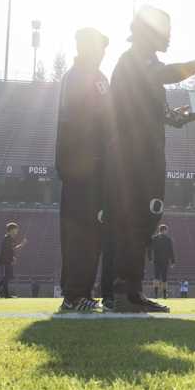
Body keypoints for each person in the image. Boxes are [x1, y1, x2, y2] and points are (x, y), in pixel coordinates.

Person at [105, 6, 195, 313]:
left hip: (144, 153)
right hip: (134, 156)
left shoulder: (146, 63)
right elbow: (160, 76)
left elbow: (157, 109)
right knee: (136, 219)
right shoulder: (132, 61)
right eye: (165, 31)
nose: (170, 37)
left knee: (145, 219)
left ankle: (129, 291)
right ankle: (123, 290)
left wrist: (179, 118)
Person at [56, 27, 111, 313]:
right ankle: (74, 293)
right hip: (80, 169)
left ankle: (82, 291)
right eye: (99, 47)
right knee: (79, 234)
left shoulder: (96, 77)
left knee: (92, 235)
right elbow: (78, 121)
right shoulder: (78, 77)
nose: (103, 53)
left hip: (94, 168)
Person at [0, 222, 26, 298]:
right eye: (16, 230)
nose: (17, 231)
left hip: (6, 259)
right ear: (11, 230)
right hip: (5, 260)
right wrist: (22, 245)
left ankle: (4, 294)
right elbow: (11, 249)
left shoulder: (9, 238)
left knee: (8, 276)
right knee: (8, 276)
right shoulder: (8, 239)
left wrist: (12, 257)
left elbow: (10, 250)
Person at [148, 224, 176, 299]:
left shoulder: (154, 238)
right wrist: (173, 261)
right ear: (164, 230)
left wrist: (150, 258)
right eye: (166, 230)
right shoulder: (168, 239)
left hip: (156, 260)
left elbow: (149, 249)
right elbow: (171, 251)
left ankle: (156, 294)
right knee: (164, 278)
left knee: (156, 277)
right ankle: (164, 295)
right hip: (165, 260)